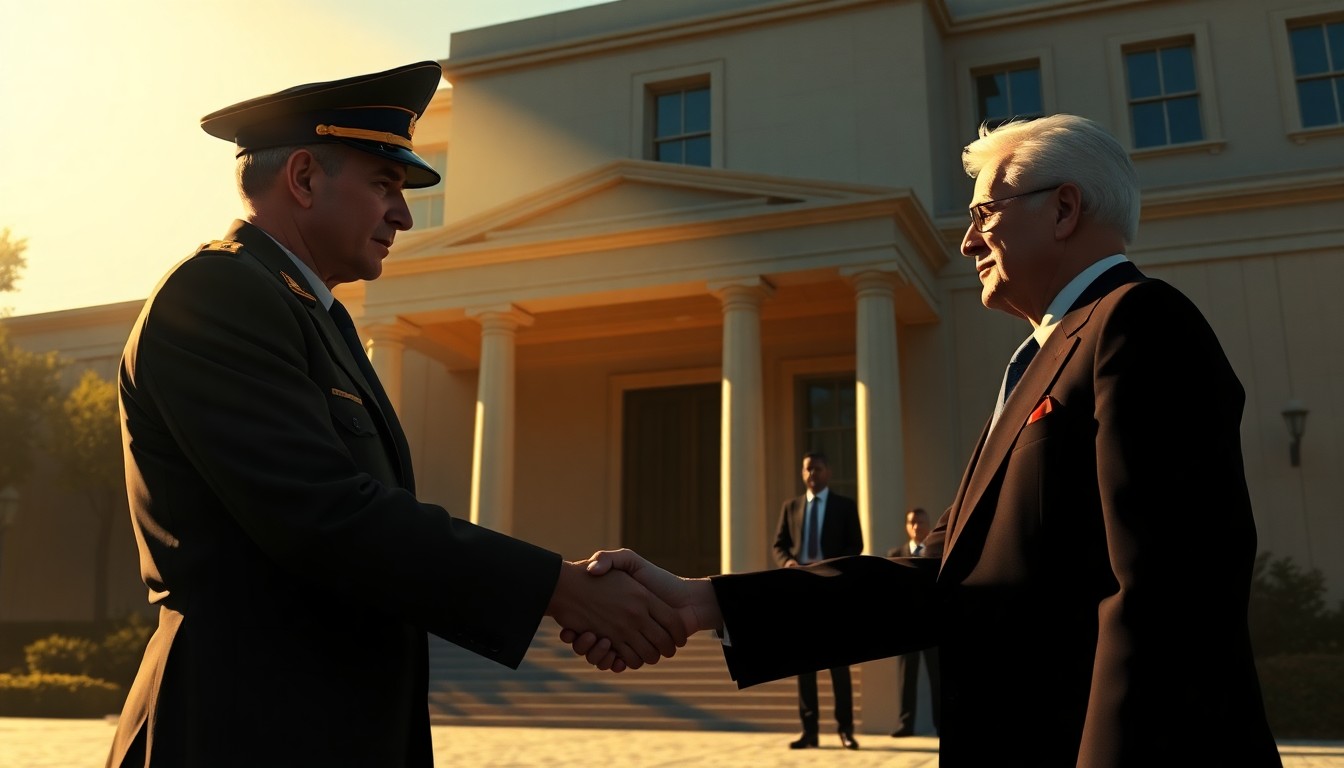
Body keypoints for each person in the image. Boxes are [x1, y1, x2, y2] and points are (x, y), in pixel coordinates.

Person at [564, 114, 1283, 767]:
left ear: (1064, 208)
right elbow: (937, 580)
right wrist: (702, 602)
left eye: (984, 212)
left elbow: (1167, 597)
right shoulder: (1041, 360)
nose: (967, 239)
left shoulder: (1139, 322)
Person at [105, 61, 686, 768]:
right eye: (384, 185)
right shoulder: (220, 294)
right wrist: (558, 588)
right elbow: (324, 516)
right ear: (305, 178)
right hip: (244, 724)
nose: (404, 214)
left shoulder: (312, 315)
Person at [771, 451, 863, 750]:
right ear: (802, 473)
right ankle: (809, 731)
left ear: (828, 472)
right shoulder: (791, 507)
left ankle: (846, 730)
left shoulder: (845, 507)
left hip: (832, 590)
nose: (812, 474)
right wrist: (787, 563)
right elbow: (779, 545)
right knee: (804, 664)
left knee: (839, 664)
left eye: (818, 469)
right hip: (801, 591)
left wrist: (832, 566)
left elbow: (856, 545)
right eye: (808, 469)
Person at [885, 507, 940, 738]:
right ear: (907, 526)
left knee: (937, 678)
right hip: (906, 628)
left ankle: (941, 724)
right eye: (912, 522)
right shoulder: (895, 553)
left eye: (921, 522)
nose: (916, 526)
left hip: (932, 626)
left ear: (929, 525)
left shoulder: (938, 553)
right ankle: (906, 723)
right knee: (906, 678)